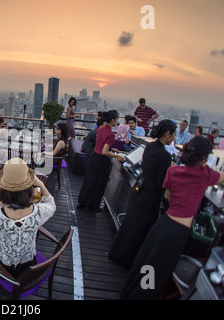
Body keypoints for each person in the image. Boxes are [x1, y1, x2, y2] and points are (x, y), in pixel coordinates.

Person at [120, 136, 224, 299]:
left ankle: (130, 294)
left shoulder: (173, 171)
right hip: (177, 233)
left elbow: (168, 196)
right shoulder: (205, 174)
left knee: (146, 265)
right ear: (204, 158)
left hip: (162, 225)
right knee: (156, 271)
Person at [109, 120, 176, 268]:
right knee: (140, 230)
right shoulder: (165, 156)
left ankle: (116, 253)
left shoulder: (150, 147)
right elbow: (161, 183)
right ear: (167, 134)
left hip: (139, 190)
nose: (174, 138)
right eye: (173, 134)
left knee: (129, 225)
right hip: (150, 198)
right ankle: (127, 260)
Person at [0, 158, 56, 278]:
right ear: (30, 187)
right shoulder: (38, 212)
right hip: (28, 266)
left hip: (3, 266)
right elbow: (52, 204)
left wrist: (5, 195)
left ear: (3, 189)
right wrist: (39, 183)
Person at [77, 110, 125, 212]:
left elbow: (100, 145)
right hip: (101, 161)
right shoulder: (111, 134)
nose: (117, 121)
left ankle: (82, 202)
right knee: (99, 183)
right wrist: (117, 157)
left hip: (94, 157)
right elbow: (104, 151)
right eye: (116, 119)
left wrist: (112, 149)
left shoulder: (100, 129)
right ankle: (93, 206)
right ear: (112, 120)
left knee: (89, 180)